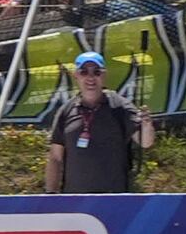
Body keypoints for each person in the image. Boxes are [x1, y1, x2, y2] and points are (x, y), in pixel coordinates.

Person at [39, 45, 155, 192]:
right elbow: (55, 157)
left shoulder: (120, 106)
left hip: (112, 199)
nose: (90, 77)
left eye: (96, 72)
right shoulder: (66, 110)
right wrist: (51, 193)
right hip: (75, 202)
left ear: (104, 75)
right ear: (76, 76)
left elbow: (145, 142)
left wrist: (146, 126)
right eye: (84, 72)